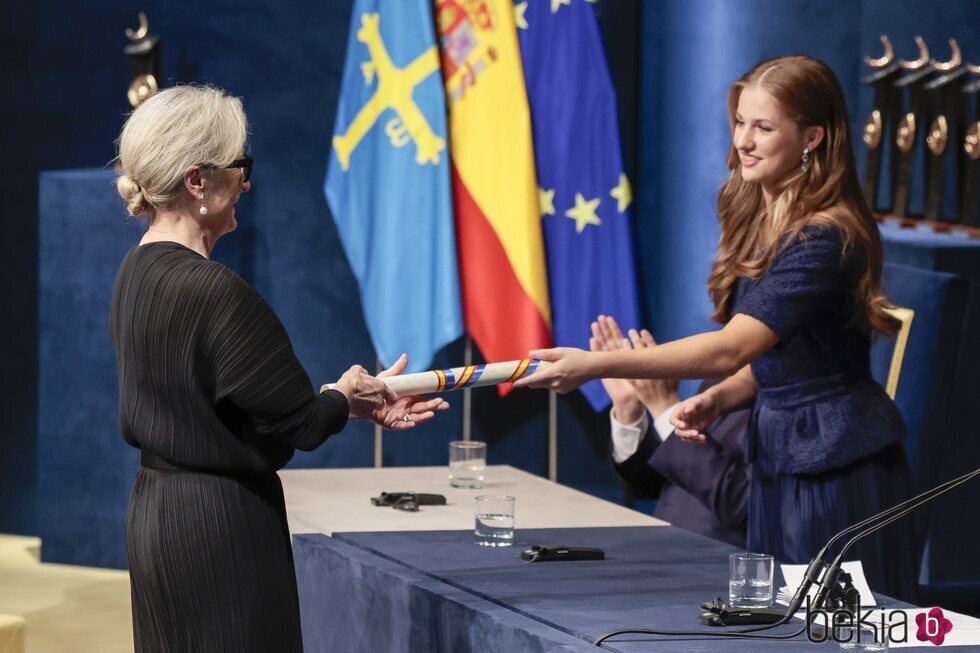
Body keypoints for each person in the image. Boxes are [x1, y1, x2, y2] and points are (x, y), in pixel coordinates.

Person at [515, 56, 917, 601]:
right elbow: (785, 352)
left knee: (834, 629)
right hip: (778, 446)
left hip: (835, 463)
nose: (744, 141)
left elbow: (735, 346)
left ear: (813, 138)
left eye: (764, 127)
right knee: (781, 624)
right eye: (740, 122)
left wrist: (596, 364)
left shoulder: (825, 235)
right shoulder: (761, 211)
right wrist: (722, 398)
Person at [110, 84, 448, 652]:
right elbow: (301, 425)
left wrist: (345, 401)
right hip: (222, 529)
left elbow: (232, 406)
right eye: (240, 167)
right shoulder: (215, 292)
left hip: (158, 518)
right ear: (197, 181)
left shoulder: (134, 271)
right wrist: (344, 396)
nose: (246, 182)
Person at [591, 315, 750, 547]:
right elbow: (653, 485)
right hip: (663, 551)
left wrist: (664, 407)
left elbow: (742, 503)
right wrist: (629, 412)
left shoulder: (792, 390)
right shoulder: (727, 370)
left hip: (726, 567)